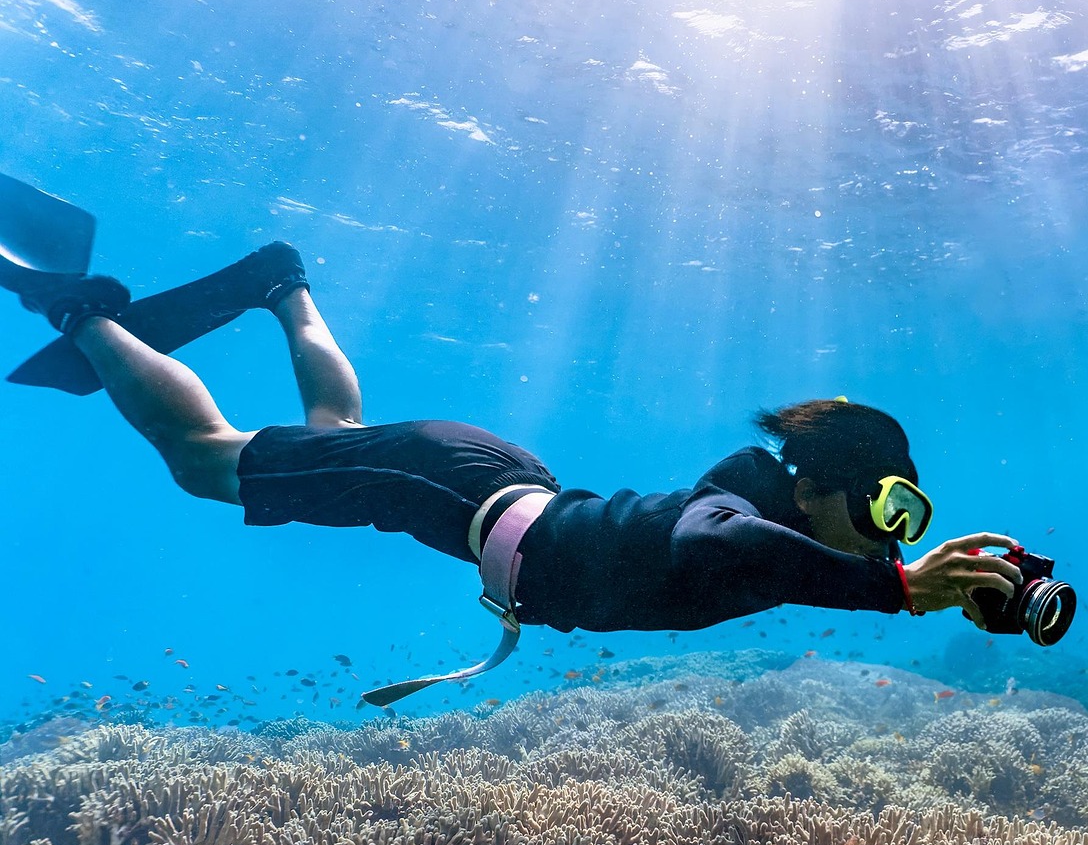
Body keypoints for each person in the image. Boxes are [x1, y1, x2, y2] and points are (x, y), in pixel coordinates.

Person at [2, 229, 1025, 703]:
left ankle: (283, 285)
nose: (896, 532)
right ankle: (81, 310)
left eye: (910, 514)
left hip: (485, 482)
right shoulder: (746, 502)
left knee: (340, 431)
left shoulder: (795, 529)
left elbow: (776, 560)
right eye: (888, 506)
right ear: (813, 484)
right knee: (203, 462)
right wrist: (896, 588)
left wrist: (947, 585)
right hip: (454, 485)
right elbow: (706, 541)